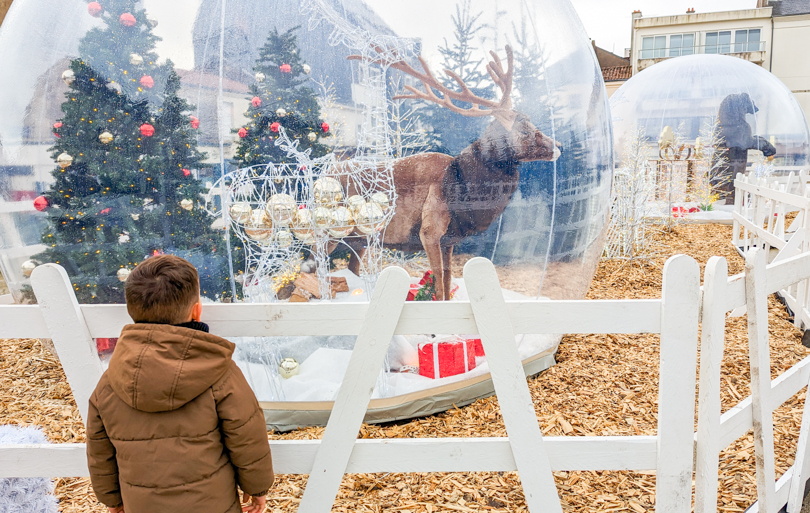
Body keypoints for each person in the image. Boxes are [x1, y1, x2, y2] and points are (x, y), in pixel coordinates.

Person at [85, 255, 274, 513]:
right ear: (197, 310)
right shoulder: (220, 372)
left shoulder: (110, 381)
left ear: (132, 311)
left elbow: (100, 451)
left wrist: (113, 500)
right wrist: (256, 487)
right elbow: (246, 434)